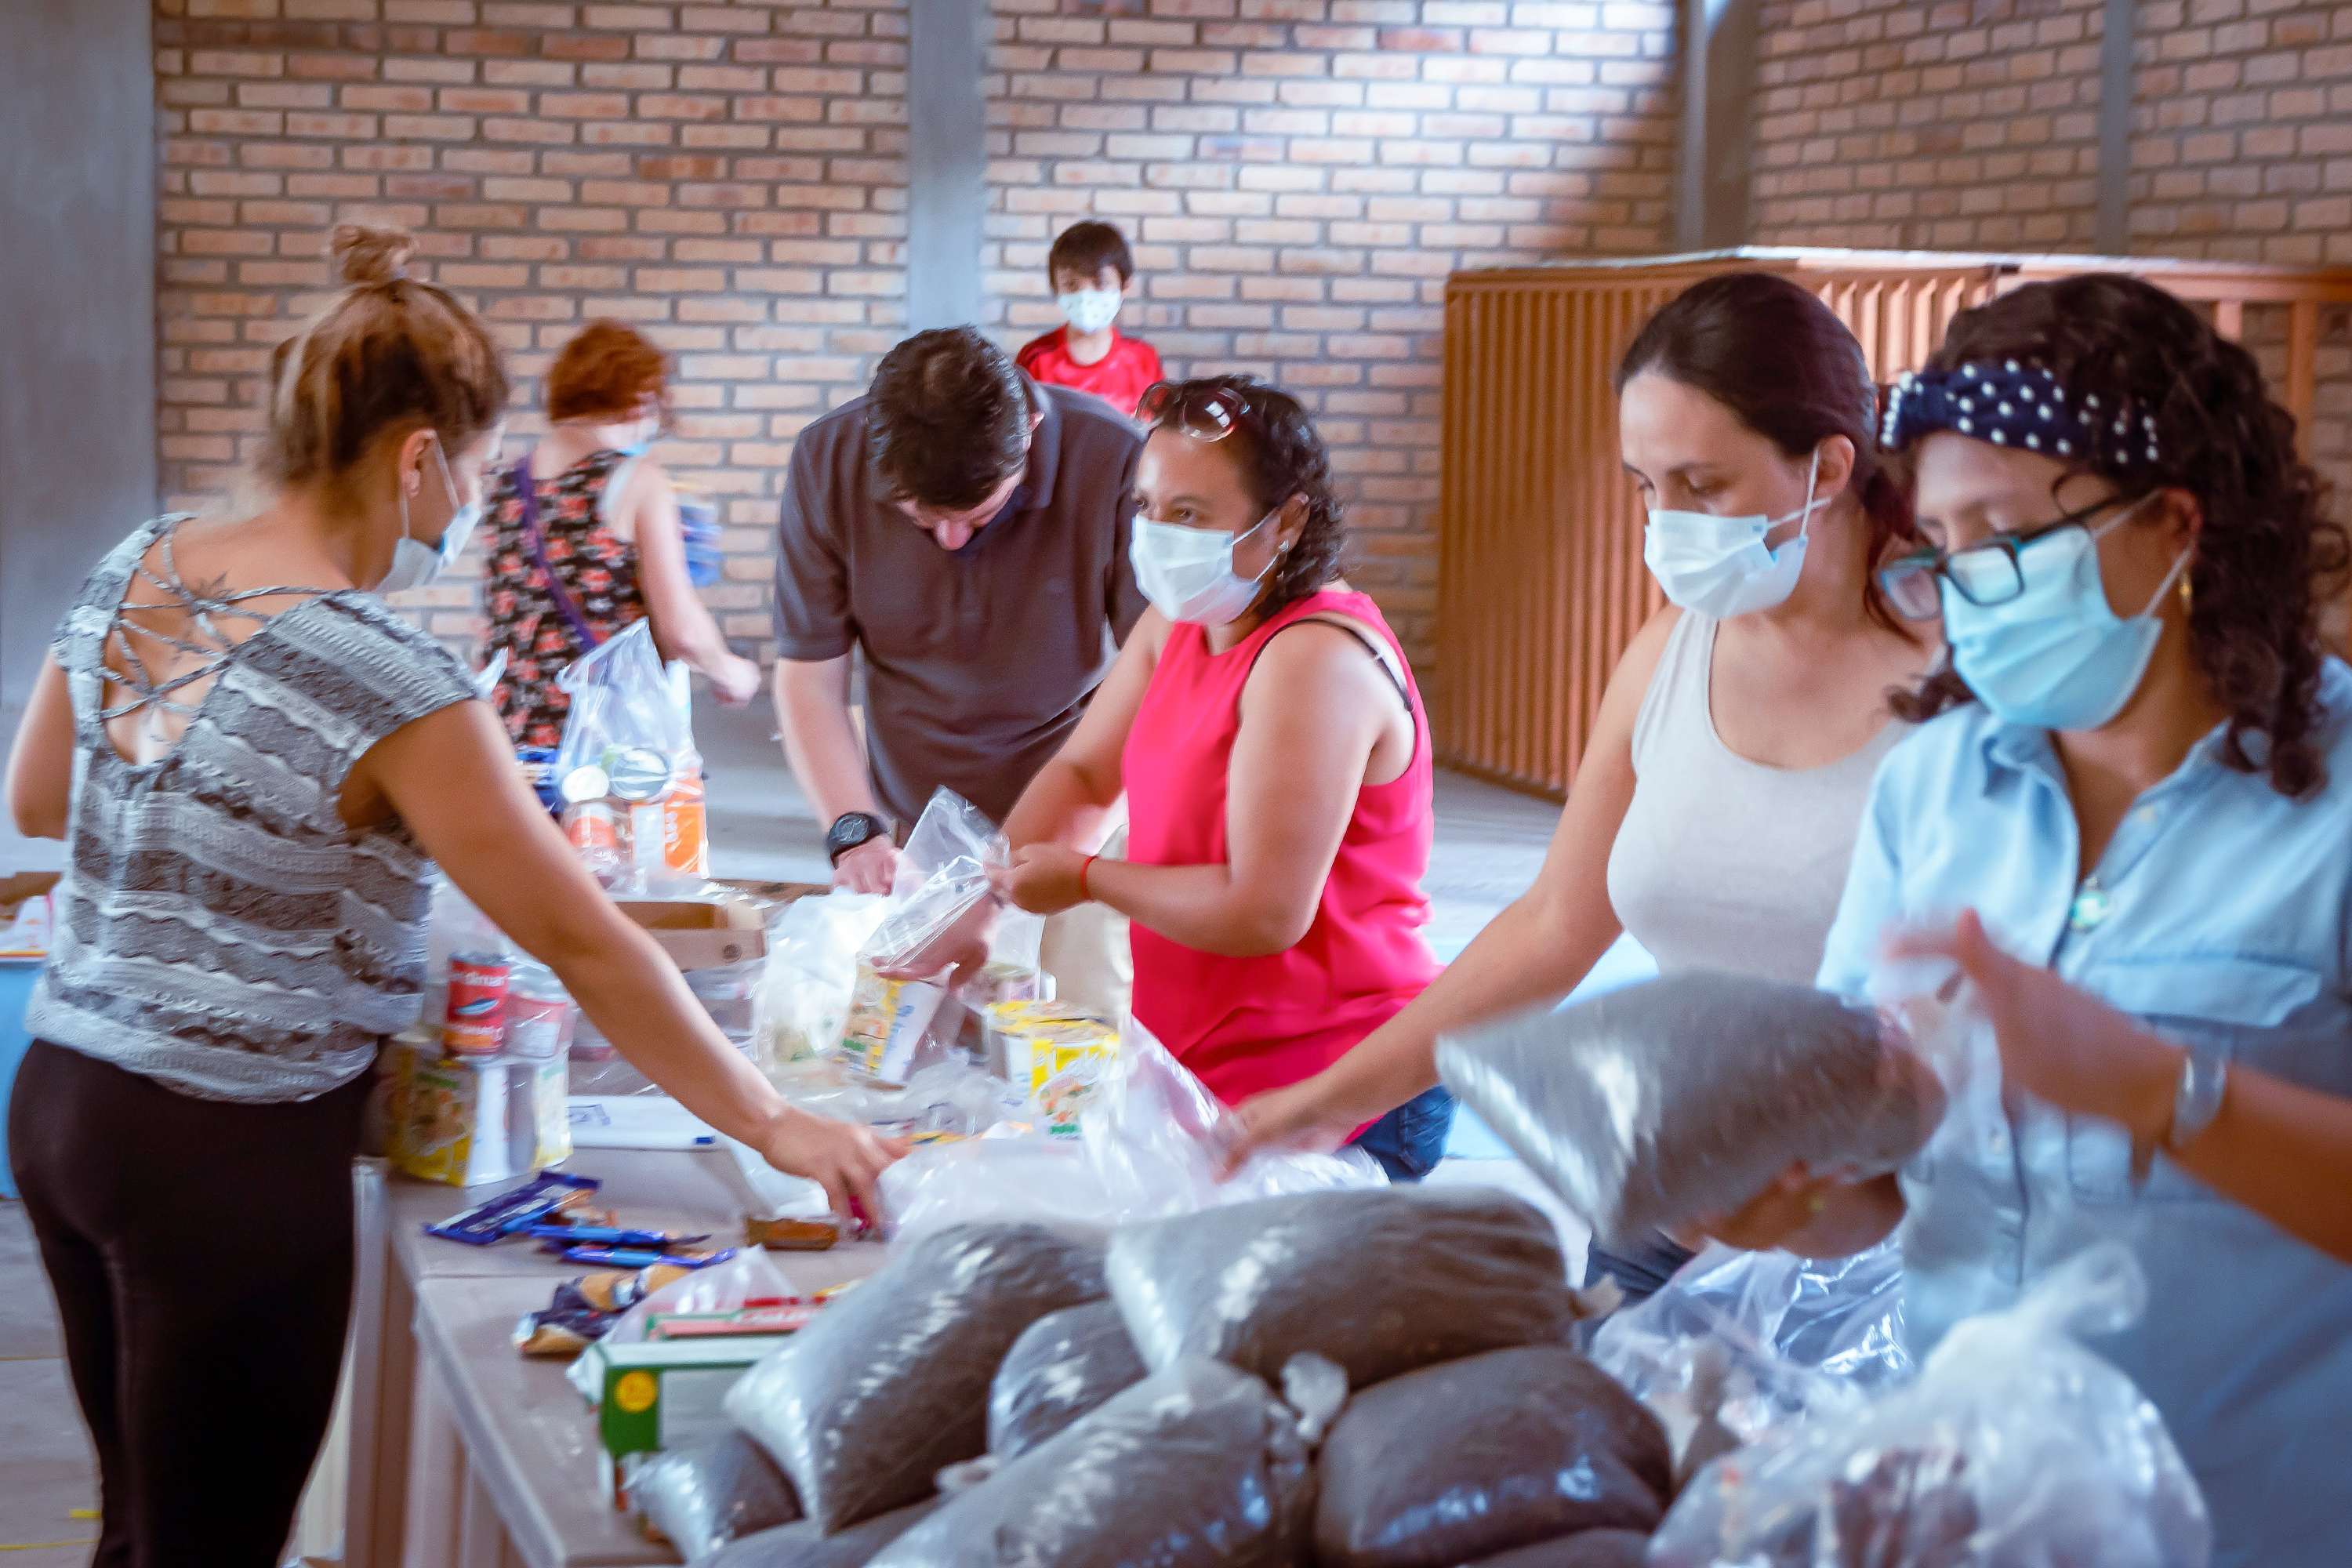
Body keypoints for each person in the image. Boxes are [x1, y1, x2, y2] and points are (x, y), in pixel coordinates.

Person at [0, 223, 900, 1568]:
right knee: (212, 1546)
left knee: (143, 1529)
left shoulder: (147, 559)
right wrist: (773, 1121)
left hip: (69, 1103)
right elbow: (581, 942)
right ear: (419, 456)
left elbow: (36, 797)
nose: (477, 500)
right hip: (228, 1152)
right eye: (475, 468)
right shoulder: (385, 676)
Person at [1703, 274, 2352, 1567]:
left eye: (1999, 536)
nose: (1964, 585)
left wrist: (2165, 1090)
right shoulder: (1938, 788)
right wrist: (1782, 1196)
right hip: (1981, 1506)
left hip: (2259, 1517)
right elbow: (1882, 1183)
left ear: (2171, 526)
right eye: (1941, 548)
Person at [1214, 274, 1938, 1287]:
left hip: (1880, 1257)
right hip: (1667, 1218)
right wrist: (1336, 1098)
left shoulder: (1965, 679)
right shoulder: (1673, 650)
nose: (1667, 520)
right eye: (1646, 486)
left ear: (1826, 466)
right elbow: (1556, 926)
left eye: (1703, 485)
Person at [994, 377, 1448, 1178]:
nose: (1158, 534)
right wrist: (983, 897)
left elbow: (1264, 908)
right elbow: (1085, 770)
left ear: (1289, 522)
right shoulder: (1180, 622)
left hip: (1334, 1089)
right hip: (1208, 1072)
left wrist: (1089, 879)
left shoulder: (1312, 659)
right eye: (1148, 507)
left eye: (1191, 514)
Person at [771, 325, 1145, 896]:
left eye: (977, 516)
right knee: (911, 984)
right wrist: (855, 831)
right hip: (914, 827)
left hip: (1077, 823)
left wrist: (1022, 872)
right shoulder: (827, 458)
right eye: (920, 520)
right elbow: (810, 677)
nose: (949, 541)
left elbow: (1157, 679)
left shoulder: (1114, 458)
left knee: (1071, 987)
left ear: (1030, 437)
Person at [482, 319, 761, 752]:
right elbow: (681, 631)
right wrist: (729, 669)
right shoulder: (637, 480)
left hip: (509, 734)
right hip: (602, 740)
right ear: (641, 397)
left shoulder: (505, 485)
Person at [1014, 220, 1163, 419]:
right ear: (1055, 287)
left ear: (1125, 286)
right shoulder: (1035, 360)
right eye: (1071, 284)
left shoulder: (1143, 361)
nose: (1085, 296)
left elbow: (1160, 434)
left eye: (1100, 283)